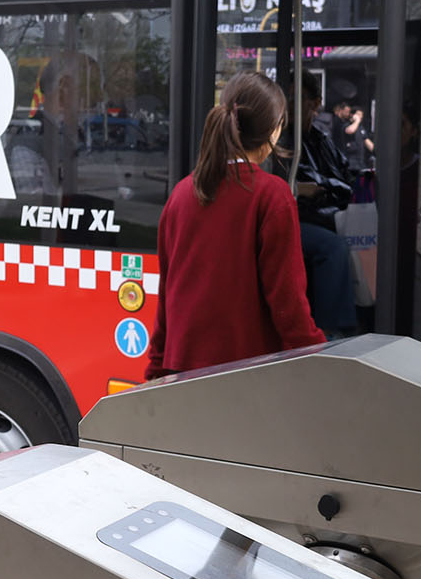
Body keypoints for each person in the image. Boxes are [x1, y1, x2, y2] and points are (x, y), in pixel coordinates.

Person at [145, 71, 324, 380]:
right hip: (246, 379)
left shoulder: (181, 194)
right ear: (274, 131)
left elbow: (168, 296)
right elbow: (288, 303)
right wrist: (318, 359)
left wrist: (156, 371)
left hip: (181, 378)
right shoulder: (272, 195)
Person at [279, 74, 357, 337]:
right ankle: (330, 332)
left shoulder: (321, 140)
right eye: (286, 98)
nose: (289, 105)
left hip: (326, 215)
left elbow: (345, 180)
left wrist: (327, 189)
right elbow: (306, 184)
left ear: (315, 103)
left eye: (296, 98)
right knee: (332, 247)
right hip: (295, 219)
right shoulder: (282, 140)